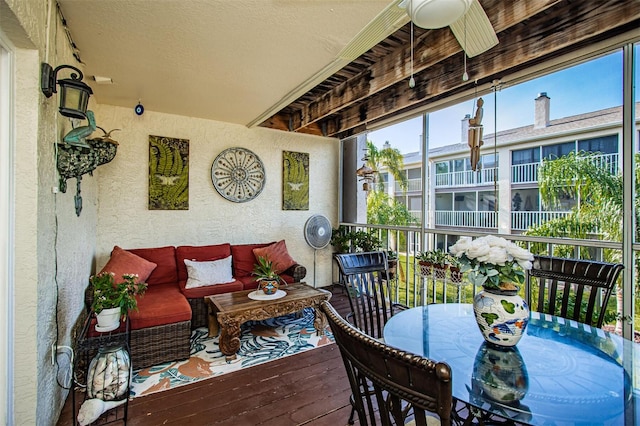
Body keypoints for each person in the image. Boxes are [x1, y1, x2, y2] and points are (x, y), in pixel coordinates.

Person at [468, 97, 484, 171]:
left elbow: (478, 119)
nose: (478, 104)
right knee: (473, 148)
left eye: (479, 103)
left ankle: (476, 164)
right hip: (475, 129)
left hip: (477, 128)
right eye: (478, 103)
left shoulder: (480, 110)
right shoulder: (479, 110)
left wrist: (474, 121)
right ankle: (474, 165)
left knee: (475, 148)